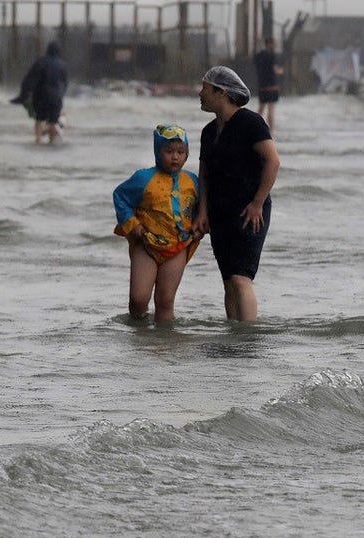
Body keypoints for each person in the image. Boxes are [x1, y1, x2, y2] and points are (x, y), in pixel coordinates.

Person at [193, 66, 281, 323]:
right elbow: (204, 175)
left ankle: (248, 336)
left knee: (242, 277)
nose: (200, 93)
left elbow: (273, 161)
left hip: (249, 211)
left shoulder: (251, 122)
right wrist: (203, 212)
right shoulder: (208, 132)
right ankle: (234, 334)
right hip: (220, 212)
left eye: (205, 88)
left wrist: (257, 203)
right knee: (229, 280)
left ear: (221, 92)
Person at [112, 125, 201, 323]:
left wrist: (199, 224)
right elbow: (120, 196)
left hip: (178, 246)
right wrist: (132, 224)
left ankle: (164, 338)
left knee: (165, 301)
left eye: (180, 152)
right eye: (168, 152)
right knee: (138, 299)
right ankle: (139, 333)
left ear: (187, 154)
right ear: (157, 152)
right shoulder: (143, 178)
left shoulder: (192, 181)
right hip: (146, 245)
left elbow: (202, 207)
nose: (175, 157)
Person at [10, 42, 68, 144]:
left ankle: (38, 140)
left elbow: (29, 80)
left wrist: (23, 95)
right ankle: (52, 142)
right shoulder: (63, 65)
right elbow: (65, 84)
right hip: (56, 99)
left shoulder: (40, 62)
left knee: (39, 119)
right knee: (53, 122)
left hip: (41, 97)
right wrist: (60, 95)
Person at [253, 36, 283, 129]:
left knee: (261, 108)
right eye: (274, 43)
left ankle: (253, 128)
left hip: (262, 85)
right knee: (271, 108)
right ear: (269, 44)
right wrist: (280, 71)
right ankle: (271, 131)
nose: (276, 45)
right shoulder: (272, 55)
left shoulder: (258, 56)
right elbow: (275, 70)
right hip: (272, 85)